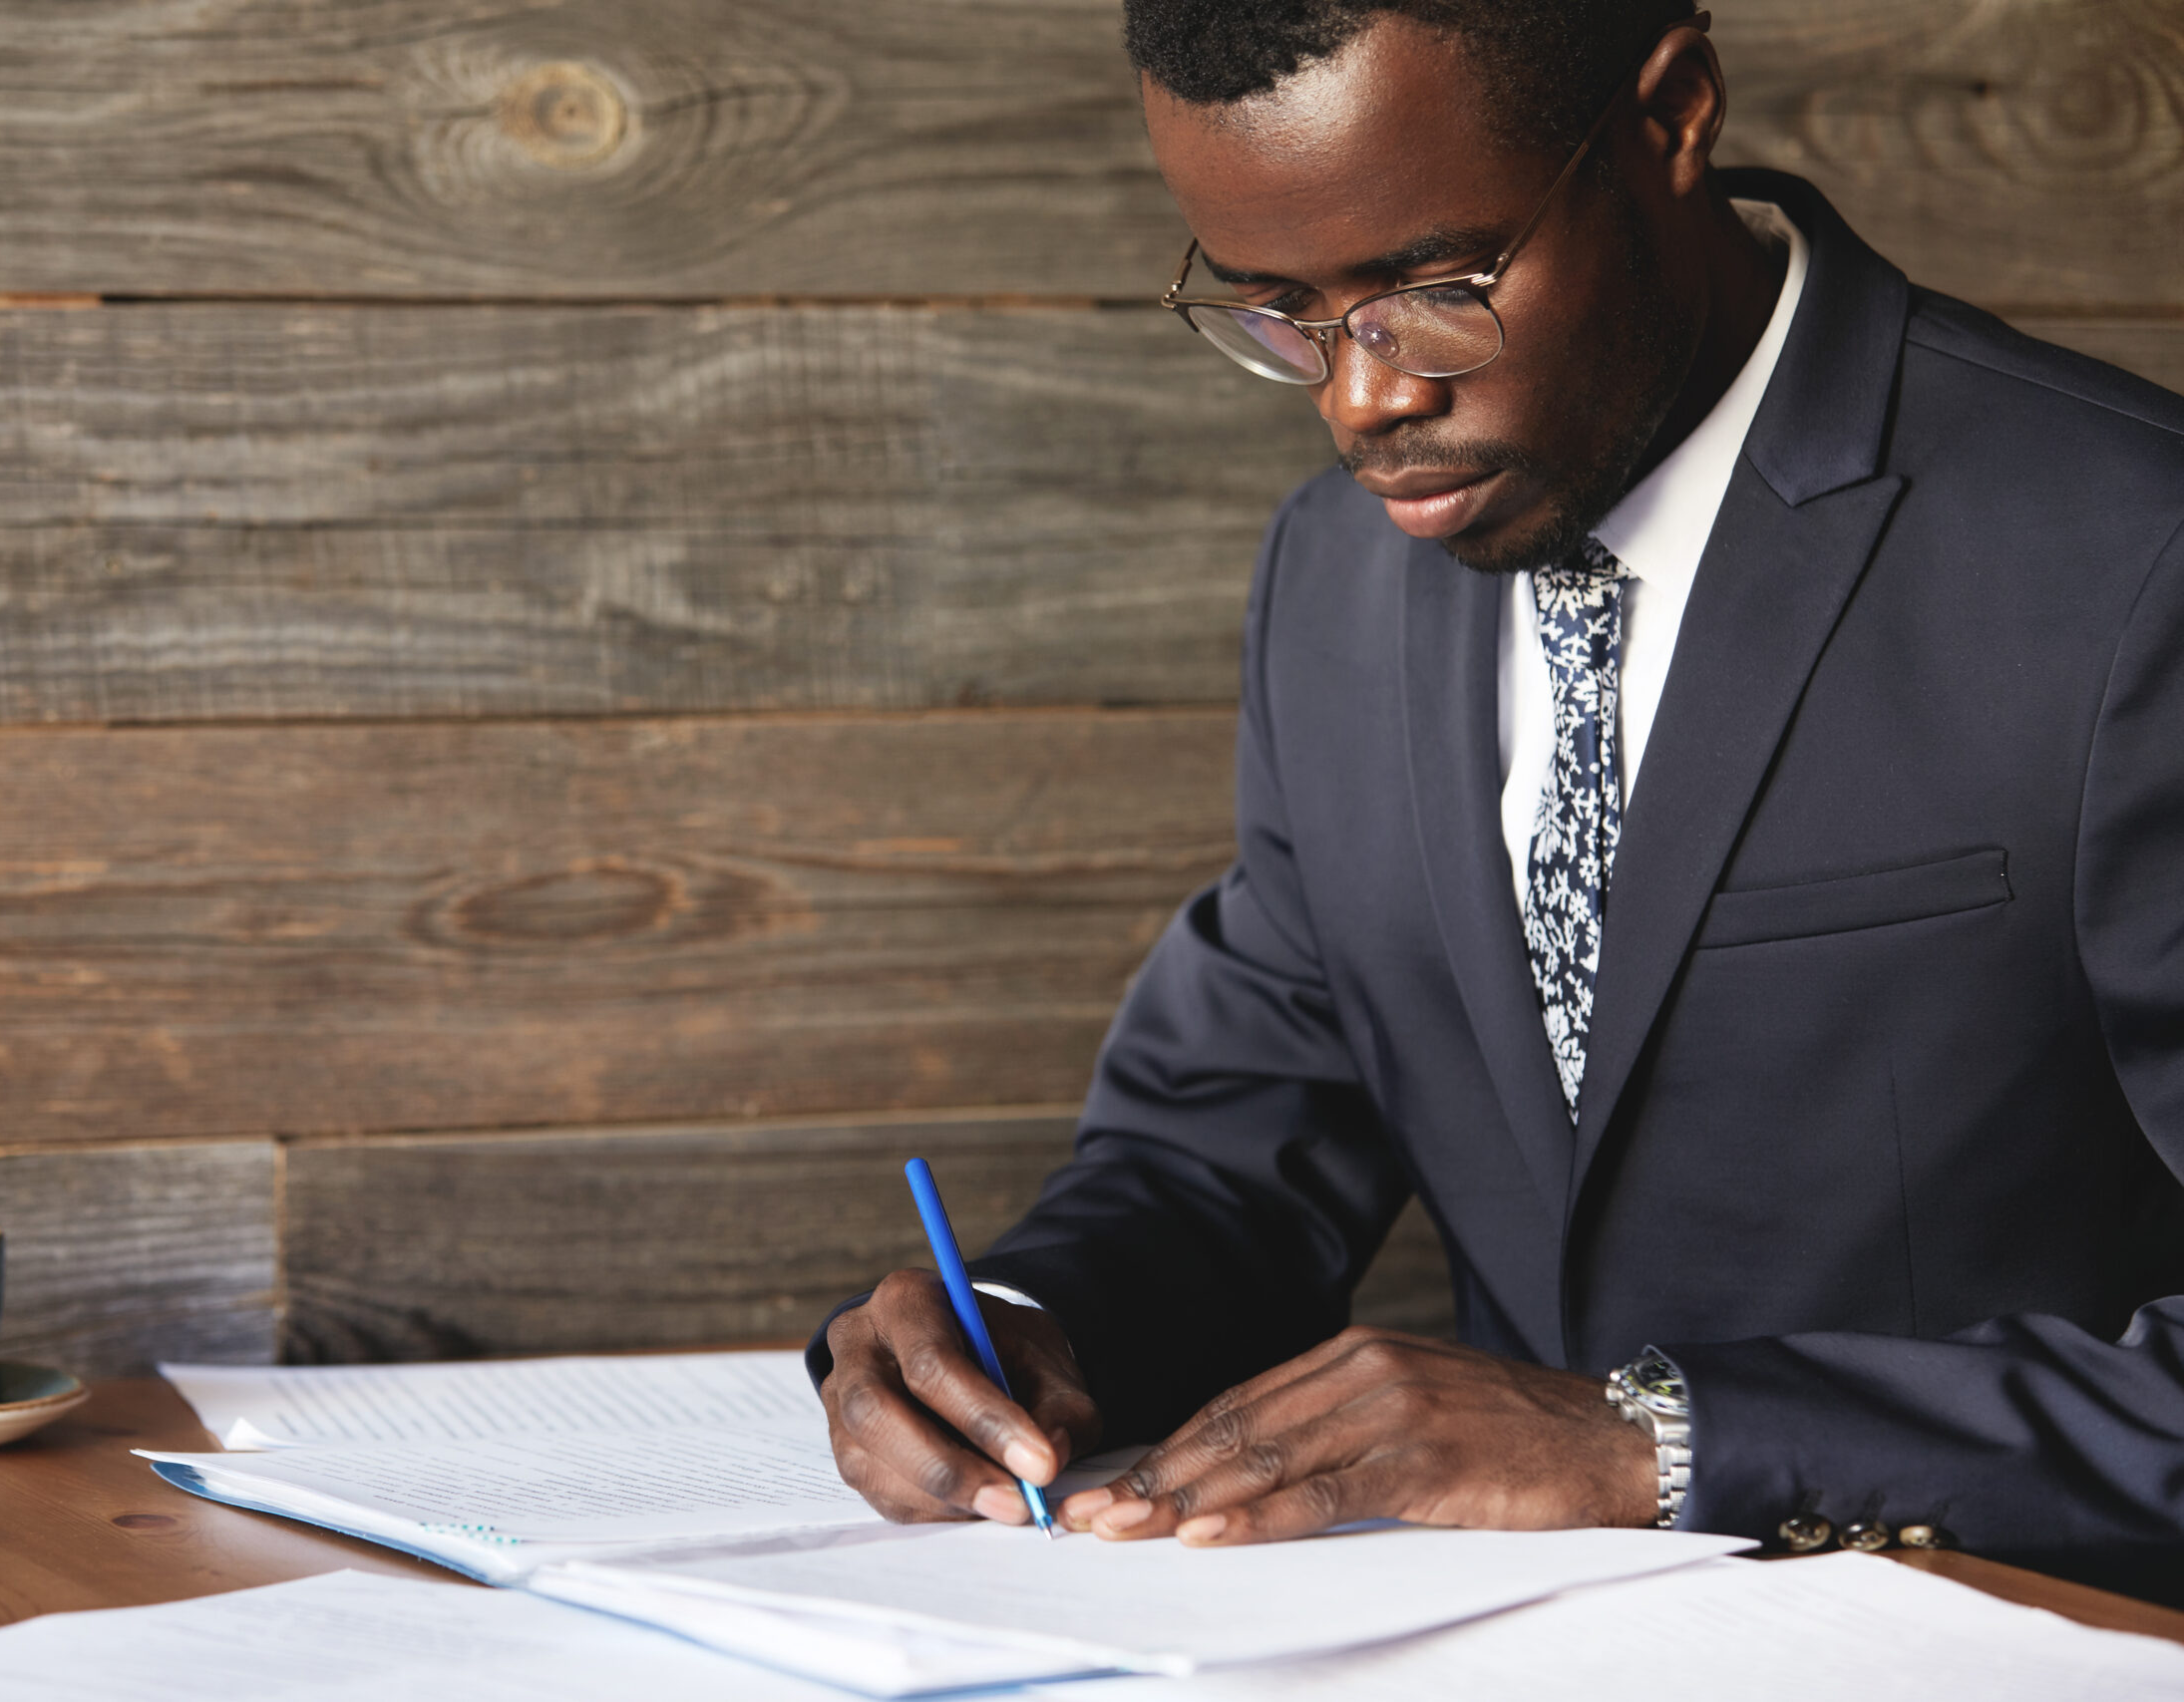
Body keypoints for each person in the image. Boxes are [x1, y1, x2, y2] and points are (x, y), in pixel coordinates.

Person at [808, 0, 2184, 1601]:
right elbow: (1233, 1148)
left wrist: (1649, 1441)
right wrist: (1020, 1327)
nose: (1359, 403)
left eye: (1434, 289)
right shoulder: (1334, 580)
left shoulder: (2128, 562)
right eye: (1275, 311)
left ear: (1672, 113)